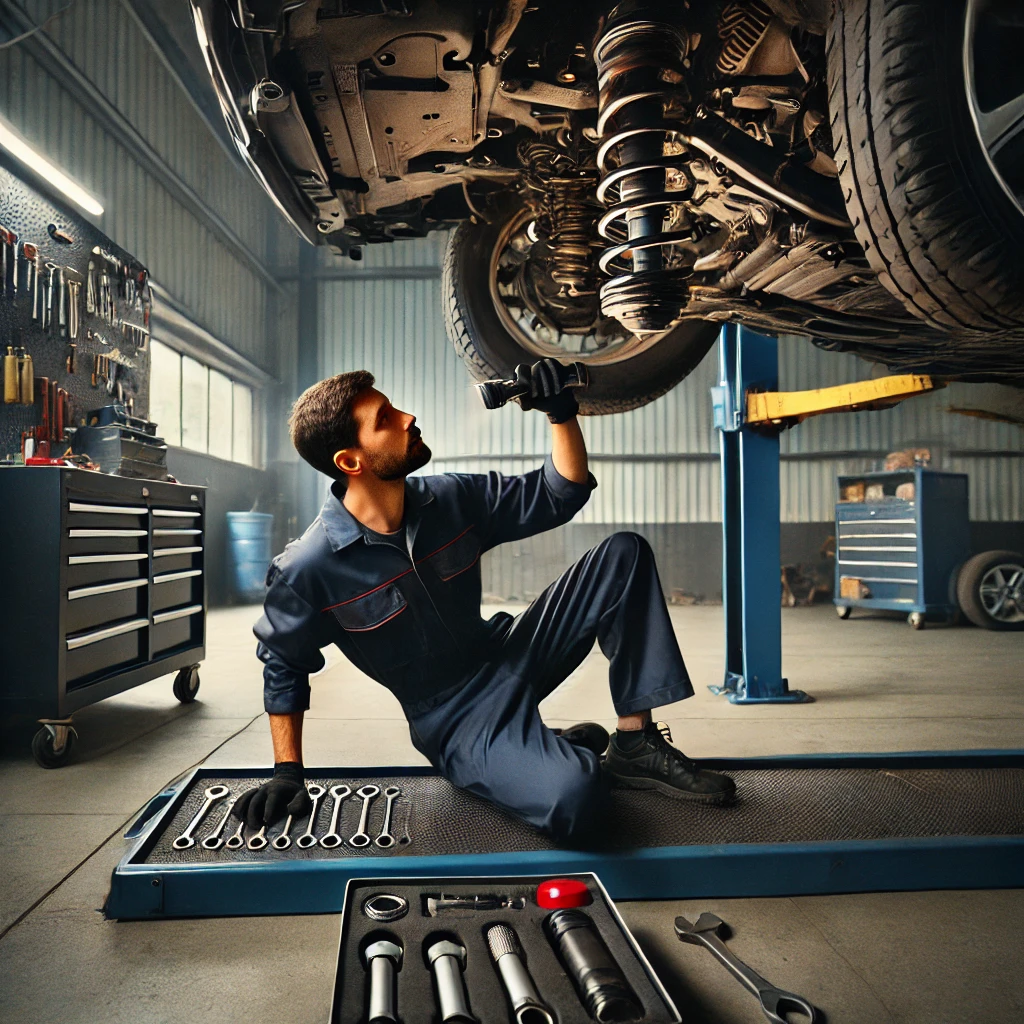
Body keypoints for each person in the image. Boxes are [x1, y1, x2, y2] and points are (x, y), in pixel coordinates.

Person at [240, 360, 735, 844]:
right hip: (455, 718)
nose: (408, 418)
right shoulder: (308, 567)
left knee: (622, 555)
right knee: (577, 803)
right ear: (351, 461)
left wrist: (561, 412)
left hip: (508, 652)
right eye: (386, 420)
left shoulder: (449, 498)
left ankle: (633, 743)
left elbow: (560, 492)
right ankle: (532, 754)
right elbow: (283, 663)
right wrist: (287, 771)